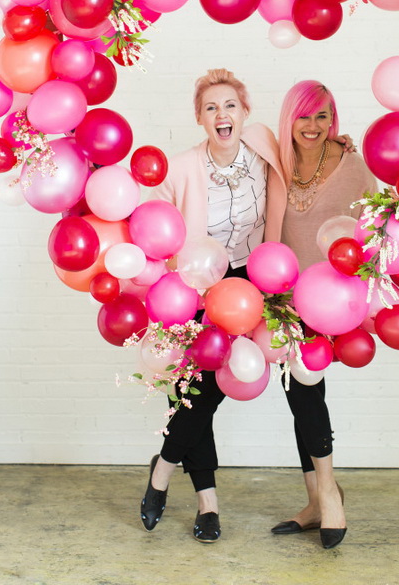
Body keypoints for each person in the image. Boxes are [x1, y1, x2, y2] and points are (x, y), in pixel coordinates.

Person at [140, 68, 287, 542]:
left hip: (250, 281)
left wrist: (341, 143)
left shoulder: (265, 147)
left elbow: (307, 154)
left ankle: (161, 468)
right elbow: (152, 220)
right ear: (200, 119)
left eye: (229, 106)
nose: (221, 115)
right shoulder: (183, 166)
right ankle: (207, 503)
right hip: (198, 285)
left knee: (213, 388)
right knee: (195, 389)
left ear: (245, 112)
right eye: (210, 108)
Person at [270, 80, 376, 549]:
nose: (312, 127)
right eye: (304, 116)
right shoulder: (275, 163)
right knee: (299, 394)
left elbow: (373, 228)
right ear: (288, 117)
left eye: (323, 116)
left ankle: (329, 496)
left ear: (334, 119)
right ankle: (316, 500)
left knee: (307, 393)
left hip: (332, 302)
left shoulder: (352, 165)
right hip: (284, 299)